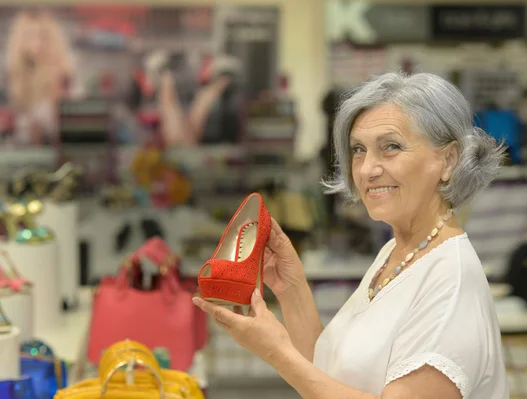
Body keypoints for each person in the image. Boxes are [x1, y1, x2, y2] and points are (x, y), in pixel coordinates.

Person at [193, 72, 509, 398]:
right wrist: (291, 287)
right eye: (359, 149)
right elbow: (331, 372)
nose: (367, 169)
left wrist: (277, 353)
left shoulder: (450, 281)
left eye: (391, 147)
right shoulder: (396, 252)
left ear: (448, 160)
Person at [5, 9, 82, 146]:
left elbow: (73, 123)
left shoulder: (64, 74)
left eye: (43, 36)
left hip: (61, 149)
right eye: (29, 36)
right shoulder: (17, 76)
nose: (37, 43)